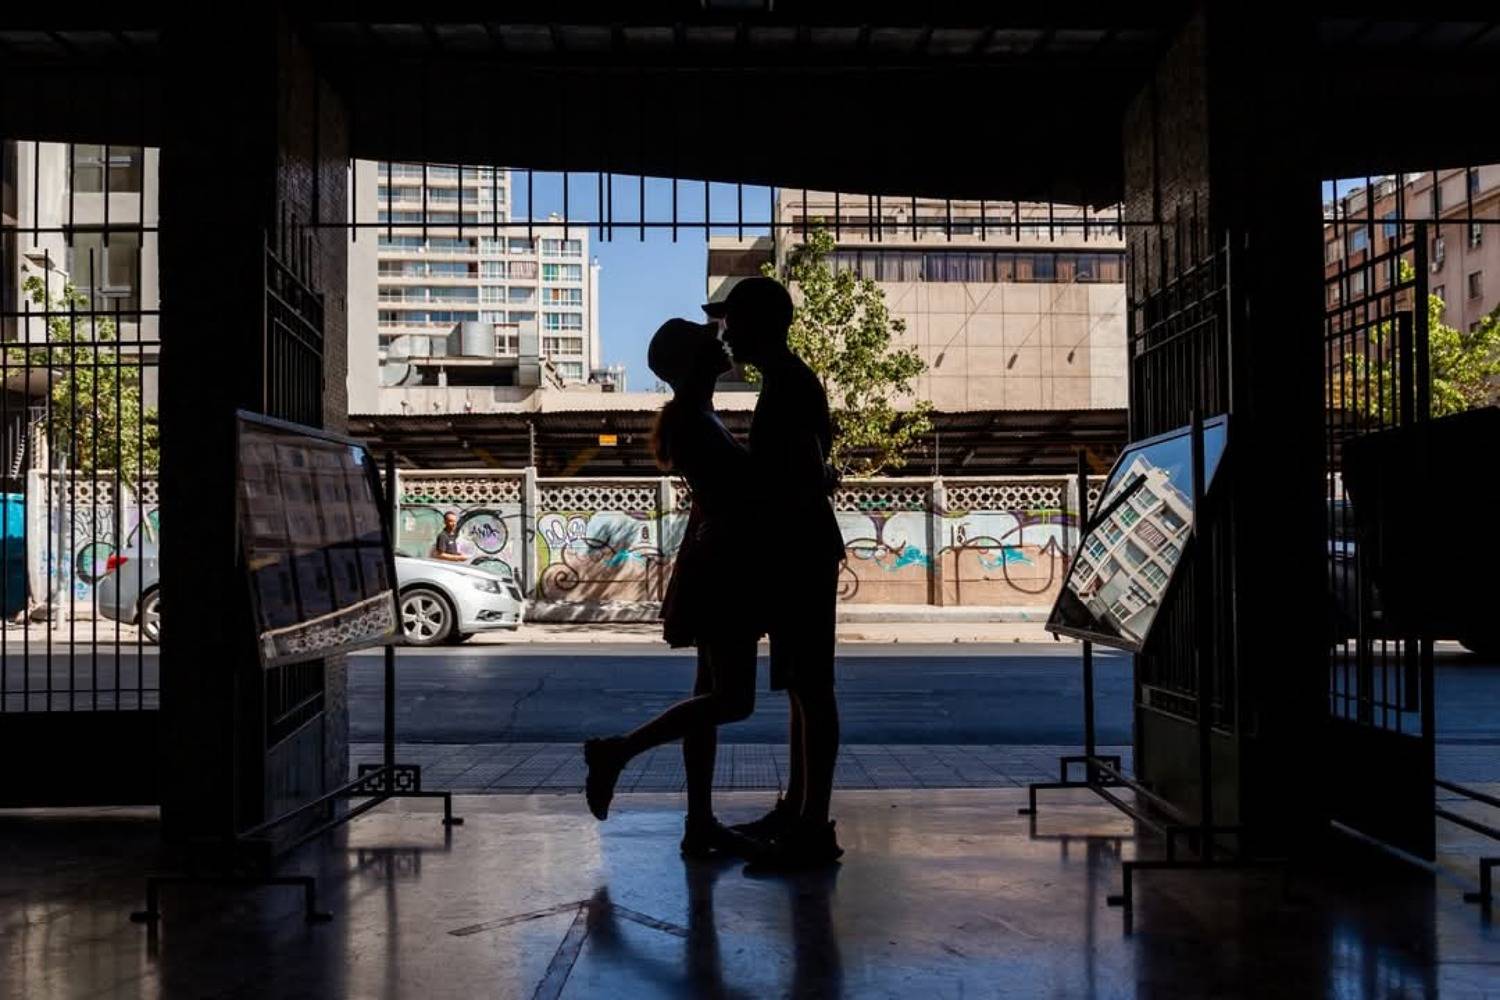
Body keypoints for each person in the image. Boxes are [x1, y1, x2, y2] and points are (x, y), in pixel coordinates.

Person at [582, 319, 763, 859]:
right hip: (724, 570)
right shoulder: (697, 423)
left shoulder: (697, 417)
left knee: (709, 697)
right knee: (733, 700)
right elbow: (744, 492)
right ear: (691, 363)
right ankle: (618, 752)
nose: (720, 341)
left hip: (716, 565)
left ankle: (700, 821)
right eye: (708, 341)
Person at [705, 276, 845, 868]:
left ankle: (813, 827)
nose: (725, 333)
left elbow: (803, 474)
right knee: (801, 687)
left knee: (812, 688)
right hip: (797, 550)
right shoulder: (786, 381)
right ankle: (798, 812)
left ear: (759, 324)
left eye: (731, 321)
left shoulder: (788, 385)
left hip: (800, 552)